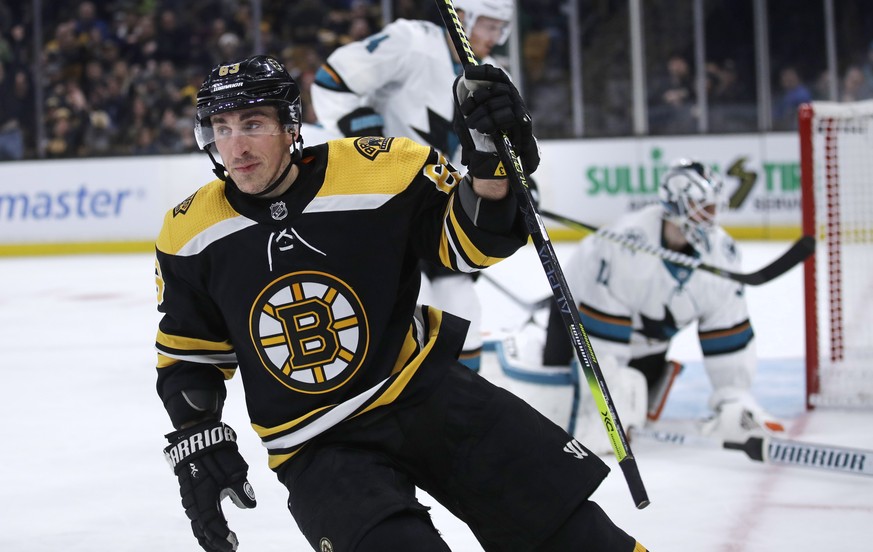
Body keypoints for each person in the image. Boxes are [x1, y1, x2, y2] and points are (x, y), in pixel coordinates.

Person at [154, 54, 646, 552]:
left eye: (253, 123)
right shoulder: (189, 232)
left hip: (425, 390)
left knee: (578, 537)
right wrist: (198, 437)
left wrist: (492, 167)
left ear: (290, 125)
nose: (235, 146)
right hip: (317, 443)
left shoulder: (381, 170)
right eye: (222, 127)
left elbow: (472, 245)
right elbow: (190, 356)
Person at [497, 159, 785, 451]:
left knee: (636, 416)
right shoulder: (624, 248)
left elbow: (727, 333)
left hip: (648, 345)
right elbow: (602, 345)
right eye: (704, 206)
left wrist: (733, 397)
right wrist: (607, 403)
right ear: (677, 205)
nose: (713, 215)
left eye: (714, 206)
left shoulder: (722, 255)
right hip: (576, 324)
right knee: (558, 417)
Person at [309, 0, 517, 372]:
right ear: (462, 18)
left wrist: (513, 182)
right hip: (385, 201)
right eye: (488, 25)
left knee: (461, 306)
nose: (494, 37)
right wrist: (363, 132)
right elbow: (332, 80)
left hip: (439, 205)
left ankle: (463, 398)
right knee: (405, 304)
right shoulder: (412, 41)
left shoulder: (492, 76)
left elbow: (501, 148)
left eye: (500, 28)